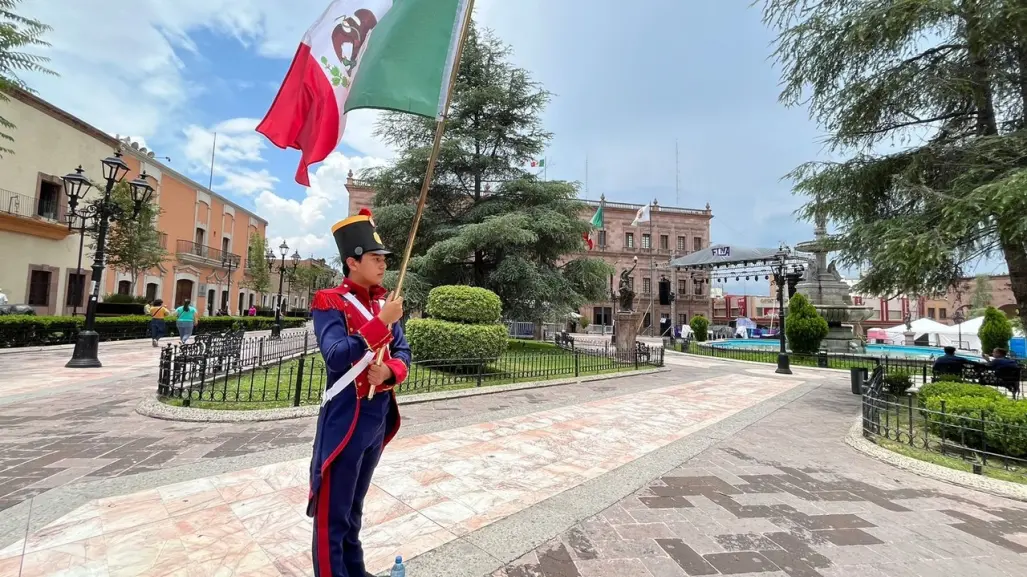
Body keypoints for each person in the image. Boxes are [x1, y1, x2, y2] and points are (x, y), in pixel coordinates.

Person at [308, 208, 410, 577]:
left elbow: (403, 353)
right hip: (346, 417)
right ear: (352, 261)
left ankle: (355, 570)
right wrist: (380, 323)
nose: (383, 265)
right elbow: (336, 357)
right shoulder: (330, 301)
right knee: (332, 513)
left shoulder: (386, 303)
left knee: (353, 508)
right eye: (374, 258)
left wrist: (388, 372)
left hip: (377, 417)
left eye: (384, 259)